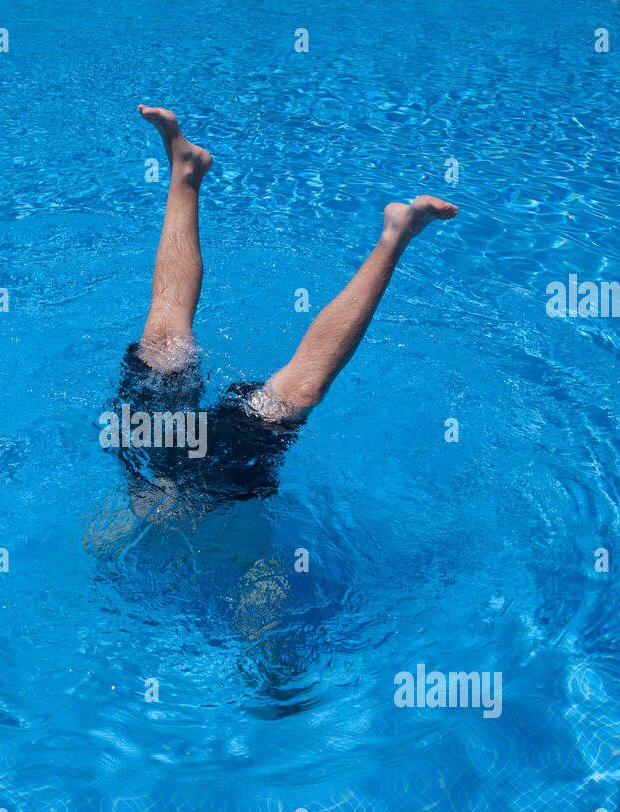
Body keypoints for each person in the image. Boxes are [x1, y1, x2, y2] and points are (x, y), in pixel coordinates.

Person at [110, 104, 458, 510]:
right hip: (214, 481)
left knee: (163, 341)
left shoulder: (133, 514)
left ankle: (185, 171)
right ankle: (396, 235)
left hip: (154, 456)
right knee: (299, 391)